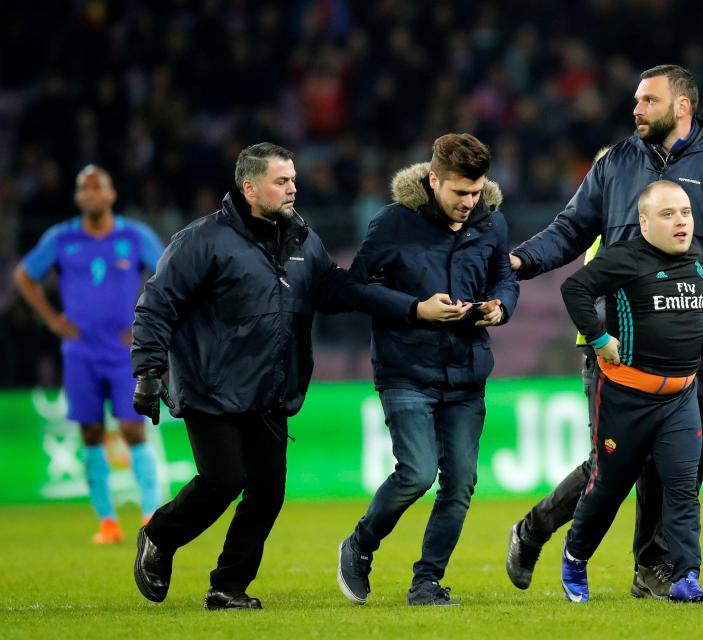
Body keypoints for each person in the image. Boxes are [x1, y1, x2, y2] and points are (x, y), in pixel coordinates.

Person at [129, 142, 452, 610]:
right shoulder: (201, 240)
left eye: (293, 179)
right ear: (250, 186)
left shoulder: (302, 240)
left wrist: (401, 298)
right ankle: (159, 537)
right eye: (282, 181)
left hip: (271, 390)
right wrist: (148, 372)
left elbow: (333, 289)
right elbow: (157, 306)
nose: (293, 188)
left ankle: (227, 588)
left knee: (268, 490)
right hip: (212, 385)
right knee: (223, 480)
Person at [505, 64, 703, 598]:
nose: (636, 109)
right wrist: (521, 260)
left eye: (648, 101)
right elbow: (571, 229)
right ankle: (534, 531)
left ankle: (652, 568)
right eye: (637, 101)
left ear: (682, 106)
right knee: (613, 466)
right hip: (615, 345)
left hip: (695, 342)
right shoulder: (618, 162)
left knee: (680, 466)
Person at [336, 133, 519, 607]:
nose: (468, 202)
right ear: (433, 178)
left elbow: (503, 276)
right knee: (417, 473)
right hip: (406, 369)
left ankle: (427, 583)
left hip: (466, 372)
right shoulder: (393, 223)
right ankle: (359, 546)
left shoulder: (491, 223)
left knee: (459, 483)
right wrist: (417, 309)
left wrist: (501, 307)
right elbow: (354, 289)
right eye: (459, 192)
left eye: (476, 192)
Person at [558, 181, 703, 604]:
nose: (681, 221)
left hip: (680, 399)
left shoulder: (697, 262)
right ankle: (575, 557)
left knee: (682, 488)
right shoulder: (623, 259)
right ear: (644, 222)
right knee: (608, 488)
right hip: (627, 400)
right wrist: (597, 337)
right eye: (668, 214)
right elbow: (573, 288)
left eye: (685, 212)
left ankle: (687, 576)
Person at [14, 165, 165, 544]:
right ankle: (108, 522)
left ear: (112, 195)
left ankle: (150, 515)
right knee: (91, 432)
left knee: (132, 429)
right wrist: (51, 318)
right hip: (80, 351)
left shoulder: (133, 236)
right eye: (84, 188)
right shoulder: (62, 238)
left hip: (123, 352)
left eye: (98, 187)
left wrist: (147, 321)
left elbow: (167, 273)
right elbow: (24, 275)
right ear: (78, 197)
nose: (91, 194)